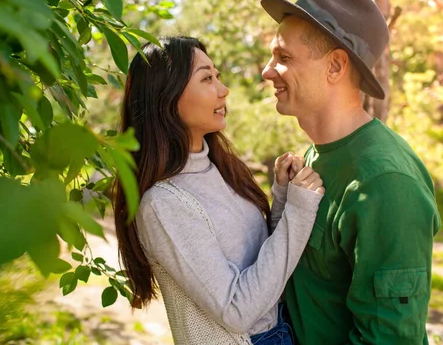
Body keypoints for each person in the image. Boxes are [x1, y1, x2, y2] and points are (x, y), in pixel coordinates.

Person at [259, 0, 442, 345]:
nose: (267, 70)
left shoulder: (386, 182)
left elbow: (390, 340)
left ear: (335, 66)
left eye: (284, 57)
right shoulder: (316, 155)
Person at [113, 36, 325, 344]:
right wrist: (299, 210)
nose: (223, 90)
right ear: (167, 97)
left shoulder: (221, 169)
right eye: (207, 78)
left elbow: (263, 265)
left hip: (282, 330)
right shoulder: (162, 204)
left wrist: (282, 197)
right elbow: (237, 310)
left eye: (218, 77)